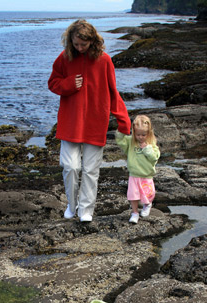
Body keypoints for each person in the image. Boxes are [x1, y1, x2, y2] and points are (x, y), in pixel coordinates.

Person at [48, 19, 131, 222]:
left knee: (90, 170)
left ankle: (86, 210)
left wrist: (123, 120)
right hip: (70, 122)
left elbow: (113, 92)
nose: (79, 48)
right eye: (76, 44)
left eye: (83, 45)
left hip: (95, 122)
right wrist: (68, 84)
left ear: (92, 42)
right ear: (71, 41)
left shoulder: (104, 60)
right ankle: (71, 204)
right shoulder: (64, 57)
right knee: (70, 166)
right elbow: (53, 83)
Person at [115, 114, 160, 224]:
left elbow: (155, 158)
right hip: (134, 174)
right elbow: (120, 140)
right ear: (134, 132)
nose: (140, 137)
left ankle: (147, 204)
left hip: (146, 174)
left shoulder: (151, 143)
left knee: (148, 194)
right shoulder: (131, 142)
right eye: (138, 134)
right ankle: (134, 212)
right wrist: (121, 129)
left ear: (148, 133)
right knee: (133, 195)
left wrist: (147, 149)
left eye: (143, 134)